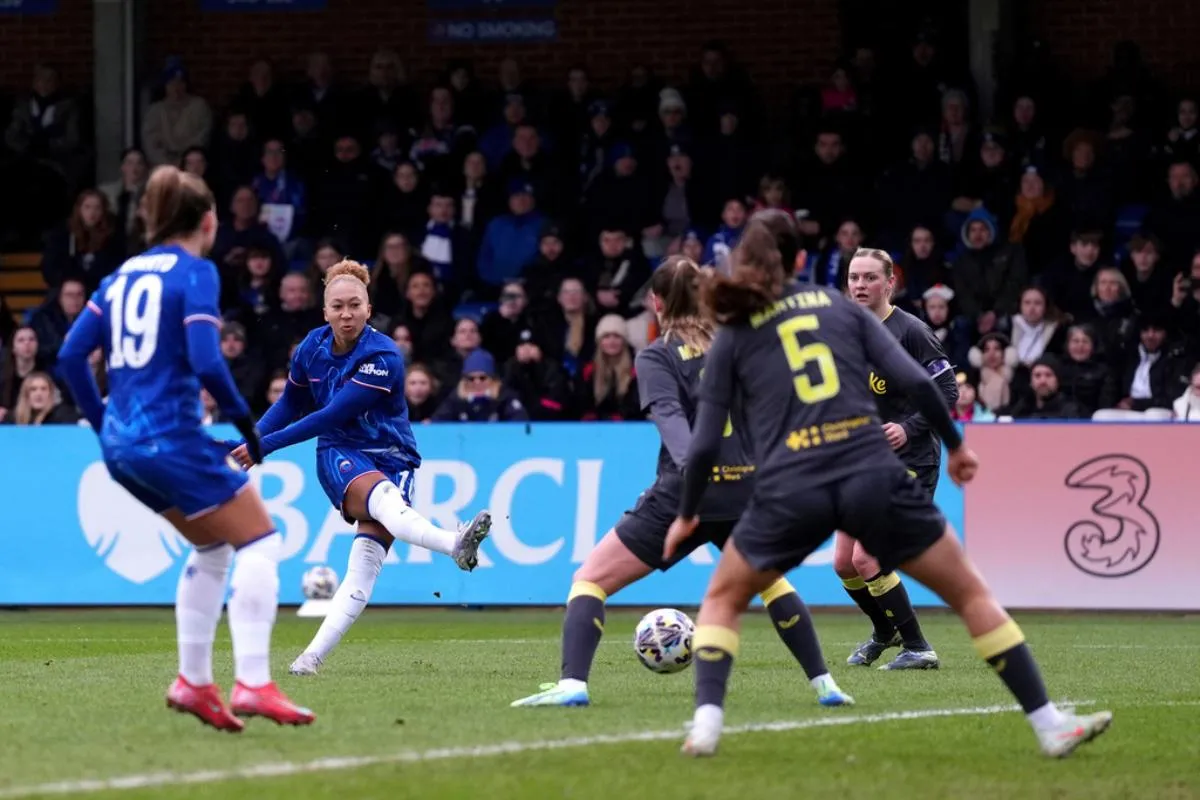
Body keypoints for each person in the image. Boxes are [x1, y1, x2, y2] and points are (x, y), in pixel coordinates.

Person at [664, 222, 1111, 758]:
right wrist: (957, 445)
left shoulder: (735, 330)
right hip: (870, 470)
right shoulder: (841, 309)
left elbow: (704, 441)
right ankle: (1048, 724)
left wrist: (687, 513)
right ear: (801, 259)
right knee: (970, 594)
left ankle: (707, 726)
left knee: (722, 598)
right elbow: (920, 383)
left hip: (793, 483)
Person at [511, 255, 852, 709]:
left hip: (683, 495)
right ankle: (825, 685)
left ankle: (573, 684)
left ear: (656, 302)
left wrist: (692, 489)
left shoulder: (658, 355)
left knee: (590, 580)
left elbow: (673, 424)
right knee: (772, 583)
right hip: (744, 491)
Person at [57, 165, 314, 732]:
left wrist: (104, 426)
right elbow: (206, 360)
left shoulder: (118, 276)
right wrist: (247, 424)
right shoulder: (195, 272)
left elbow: (71, 357)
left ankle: (194, 682)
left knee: (213, 546)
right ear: (208, 221)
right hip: (170, 436)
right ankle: (253, 682)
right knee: (261, 542)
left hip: (122, 448)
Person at [227, 259, 492, 677]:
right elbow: (293, 404)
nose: (346, 314)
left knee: (365, 565)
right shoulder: (311, 348)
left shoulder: (383, 356)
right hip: (341, 451)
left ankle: (309, 659)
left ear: (369, 309)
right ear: (325, 312)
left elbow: (331, 412)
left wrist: (262, 447)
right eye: (338, 306)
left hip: (395, 457)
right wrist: (253, 439)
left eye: (355, 305)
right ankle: (454, 543)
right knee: (385, 503)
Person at [835, 248, 958, 670]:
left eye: (870, 277)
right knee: (844, 564)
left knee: (867, 557)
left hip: (910, 458)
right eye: (854, 277)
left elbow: (948, 391)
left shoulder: (912, 332)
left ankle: (919, 646)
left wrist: (909, 427)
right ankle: (884, 632)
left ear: (890, 283)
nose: (860, 285)